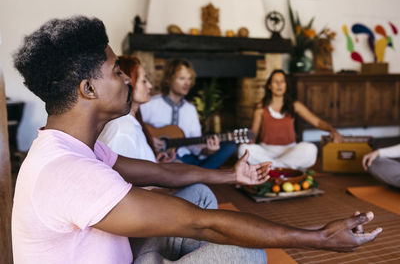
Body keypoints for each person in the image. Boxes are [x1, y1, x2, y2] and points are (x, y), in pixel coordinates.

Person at [12, 16, 381, 264]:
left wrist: (231, 176)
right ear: (88, 88)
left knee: (201, 196)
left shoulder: (75, 147)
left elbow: (162, 174)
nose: (126, 79)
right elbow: (201, 224)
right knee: (243, 252)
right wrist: (320, 238)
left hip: (122, 250)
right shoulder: (69, 171)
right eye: (117, 71)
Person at [140, 59, 237, 169]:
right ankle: (199, 175)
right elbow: (134, 127)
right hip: (156, 158)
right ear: (169, 79)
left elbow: (196, 146)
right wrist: (149, 138)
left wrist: (207, 151)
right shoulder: (150, 104)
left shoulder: (190, 109)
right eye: (182, 78)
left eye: (189, 79)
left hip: (186, 159)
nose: (187, 83)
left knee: (230, 147)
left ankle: (196, 175)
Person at [238, 69, 343, 170]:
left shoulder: (295, 105)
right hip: (266, 150)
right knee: (243, 149)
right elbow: (253, 134)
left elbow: (317, 122)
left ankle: (271, 167)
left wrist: (332, 130)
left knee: (311, 149)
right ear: (269, 86)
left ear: (286, 85)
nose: (279, 84)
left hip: (289, 151)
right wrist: (249, 143)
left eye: (282, 81)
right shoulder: (261, 107)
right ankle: (284, 168)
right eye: (275, 81)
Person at [98, 55, 175, 163]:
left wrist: (157, 166)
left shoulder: (131, 123)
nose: (150, 85)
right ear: (125, 82)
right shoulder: (122, 128)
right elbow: (116, 176)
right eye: (143, 81)